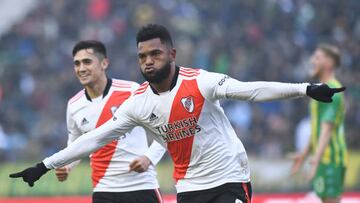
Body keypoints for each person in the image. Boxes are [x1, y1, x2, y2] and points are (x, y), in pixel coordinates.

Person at [10, 24, 345, 203]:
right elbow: (93, 139)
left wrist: (305, 89)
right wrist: (44, 165)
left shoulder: (200, 82)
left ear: (171, 53)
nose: (148, 62)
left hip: (228, 178)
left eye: (155, 54)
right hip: (188, 187)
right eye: (142, 57)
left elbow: (251, 90)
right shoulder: (138, 103)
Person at [56, 40, 165, 203]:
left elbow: (166, 130)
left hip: (141, 187)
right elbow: (76, 143)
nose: (81, 68)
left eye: (87, 62)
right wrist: (67, 165)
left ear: (104, 63)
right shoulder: (74, 105)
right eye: (77, 64)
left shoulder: (132, 91)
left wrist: (148, 158)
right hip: (103, 191)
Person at [290, 44, 347, 203]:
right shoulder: (321, 90)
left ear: (328, 63)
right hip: (323, 158)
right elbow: (317, 129)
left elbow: (327, 129)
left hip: (331, 159)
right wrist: (304, 154)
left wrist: (316, 159)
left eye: (317, 58)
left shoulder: (333, 91)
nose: (312, 60)